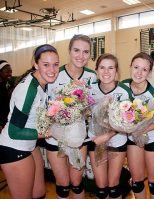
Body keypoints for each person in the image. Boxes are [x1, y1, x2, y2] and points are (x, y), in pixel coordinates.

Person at [0, 44, 60, 199]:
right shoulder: (29, 90)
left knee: (39, 193)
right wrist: (46, 133)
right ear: (36, 64)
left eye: (55, 65)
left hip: (30, 145)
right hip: (14, 147)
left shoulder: (43, 84)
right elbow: (14, 131)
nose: (52, 70)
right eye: (46, 65)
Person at [46, 34, 97, 199]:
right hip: (55, 138)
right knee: (62, 185)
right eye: (76, 50)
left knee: (76, 183)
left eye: (85, 52)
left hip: (78, 138)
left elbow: (92, 107)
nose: (80, 56)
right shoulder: (54, 75)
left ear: (90, 54)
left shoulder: (92, 76)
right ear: (69, 50)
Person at [87, 53, 132, 199]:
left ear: (117, 71)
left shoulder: (123, 91)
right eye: (102, 67)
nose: (106, 72)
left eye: (110, 68)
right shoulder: (89, 90)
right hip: (95, 141)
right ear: (96, 70)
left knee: (113, 187)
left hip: (116, 141)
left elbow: (126, 121)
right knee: (101, 189)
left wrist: (107, 135)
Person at [122, 52, 154, 199]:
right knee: (137, 182)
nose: (139, 73)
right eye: (136, 67)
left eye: (144, 69)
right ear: (130, 67)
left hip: (153, 138)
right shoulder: (122, 87)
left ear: (149, 72)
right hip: (133, 139)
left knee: (153, 182)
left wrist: (142, 128)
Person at [0, 60, 13, 131]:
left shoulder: (9, 83)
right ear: (0, 72)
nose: (10, 74)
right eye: (7, 72)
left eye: (11, 71)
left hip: (8, 117)